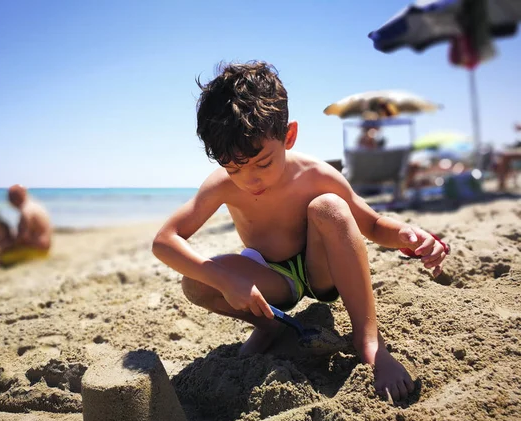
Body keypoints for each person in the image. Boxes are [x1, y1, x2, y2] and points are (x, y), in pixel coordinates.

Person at [152, 61, 449, 402]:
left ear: (289, 136)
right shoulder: (222, 185)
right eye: (232, 167)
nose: (250, 180)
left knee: (329, 207)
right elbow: (165, 241)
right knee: (196, 281)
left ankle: (368, 341)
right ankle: (270, 326)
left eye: (263, 162)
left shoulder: (315, 174)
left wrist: (407, 236)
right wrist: (224, 279)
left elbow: (372, 225)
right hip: (272, 277)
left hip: (321, 269)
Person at [0, 184, 52, 266]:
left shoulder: (26, 211)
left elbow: (23, 238)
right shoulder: (36, 206)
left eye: (10, 198)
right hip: (44, 250)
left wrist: (3, 246)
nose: (9, 202)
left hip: (35, 252)